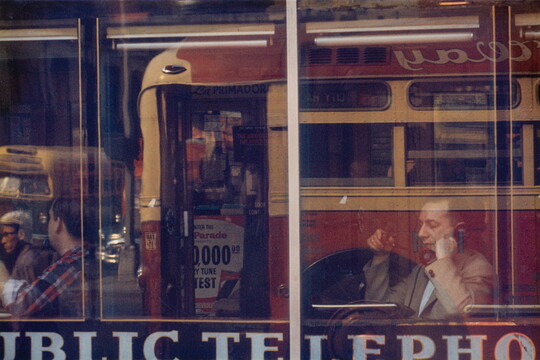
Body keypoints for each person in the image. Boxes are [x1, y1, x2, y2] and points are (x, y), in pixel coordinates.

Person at [363, 198, 497, 319]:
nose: (421, 233)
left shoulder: (477, 268)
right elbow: (381, 308)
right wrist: (380, 257)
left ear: (459, 231)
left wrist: (444, 261)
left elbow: (462, 313)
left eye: (432, 225)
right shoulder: (422, 270)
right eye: (421, 224)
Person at [0, 197, 87, 317]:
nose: (3, 240)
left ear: (58, 223)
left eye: (50, 219)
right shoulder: (80, 258)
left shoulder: (70, 265)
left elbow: (22, 308)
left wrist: (3, 282)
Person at [0, 210, 49, 283]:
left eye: (8, 235)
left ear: (21, 235)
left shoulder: (27, 262)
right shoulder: (23, 257)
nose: (3, 241)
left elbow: (32, 293)